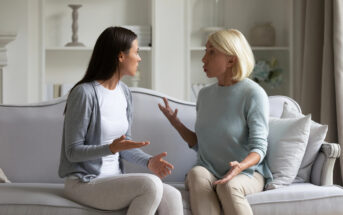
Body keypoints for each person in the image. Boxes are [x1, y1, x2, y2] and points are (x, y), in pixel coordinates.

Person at [58, 26, 183, 215]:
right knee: (150, 185)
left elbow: (124, 147)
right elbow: (72, 152)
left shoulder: (124, 92)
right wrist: (110, 148)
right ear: (121, 56)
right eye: (136, 52)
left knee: (173, 195)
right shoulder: (84, 93)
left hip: (113, 179)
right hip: (84, 182)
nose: (139, 58)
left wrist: (149, 162)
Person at [158, 29, 272, 215]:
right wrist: (176, 123)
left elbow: (259, 148)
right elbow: (201, 145)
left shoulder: (253, 94)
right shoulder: (205, 95)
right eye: (205, 51)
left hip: (247, 173)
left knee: (228, 187)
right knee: (196, 174)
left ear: (231, 59)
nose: (204, 59)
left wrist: (240, 167)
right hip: (208, 169)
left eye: (212, 52)